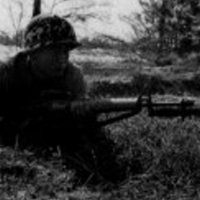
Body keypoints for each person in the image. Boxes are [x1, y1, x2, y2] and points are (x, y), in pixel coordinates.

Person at [0, 14, 87, 147]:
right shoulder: (7, 73)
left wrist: (80, 110)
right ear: (33, 54)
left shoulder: (73, 76)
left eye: (65, 52)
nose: (62, 59)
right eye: (55, 51)